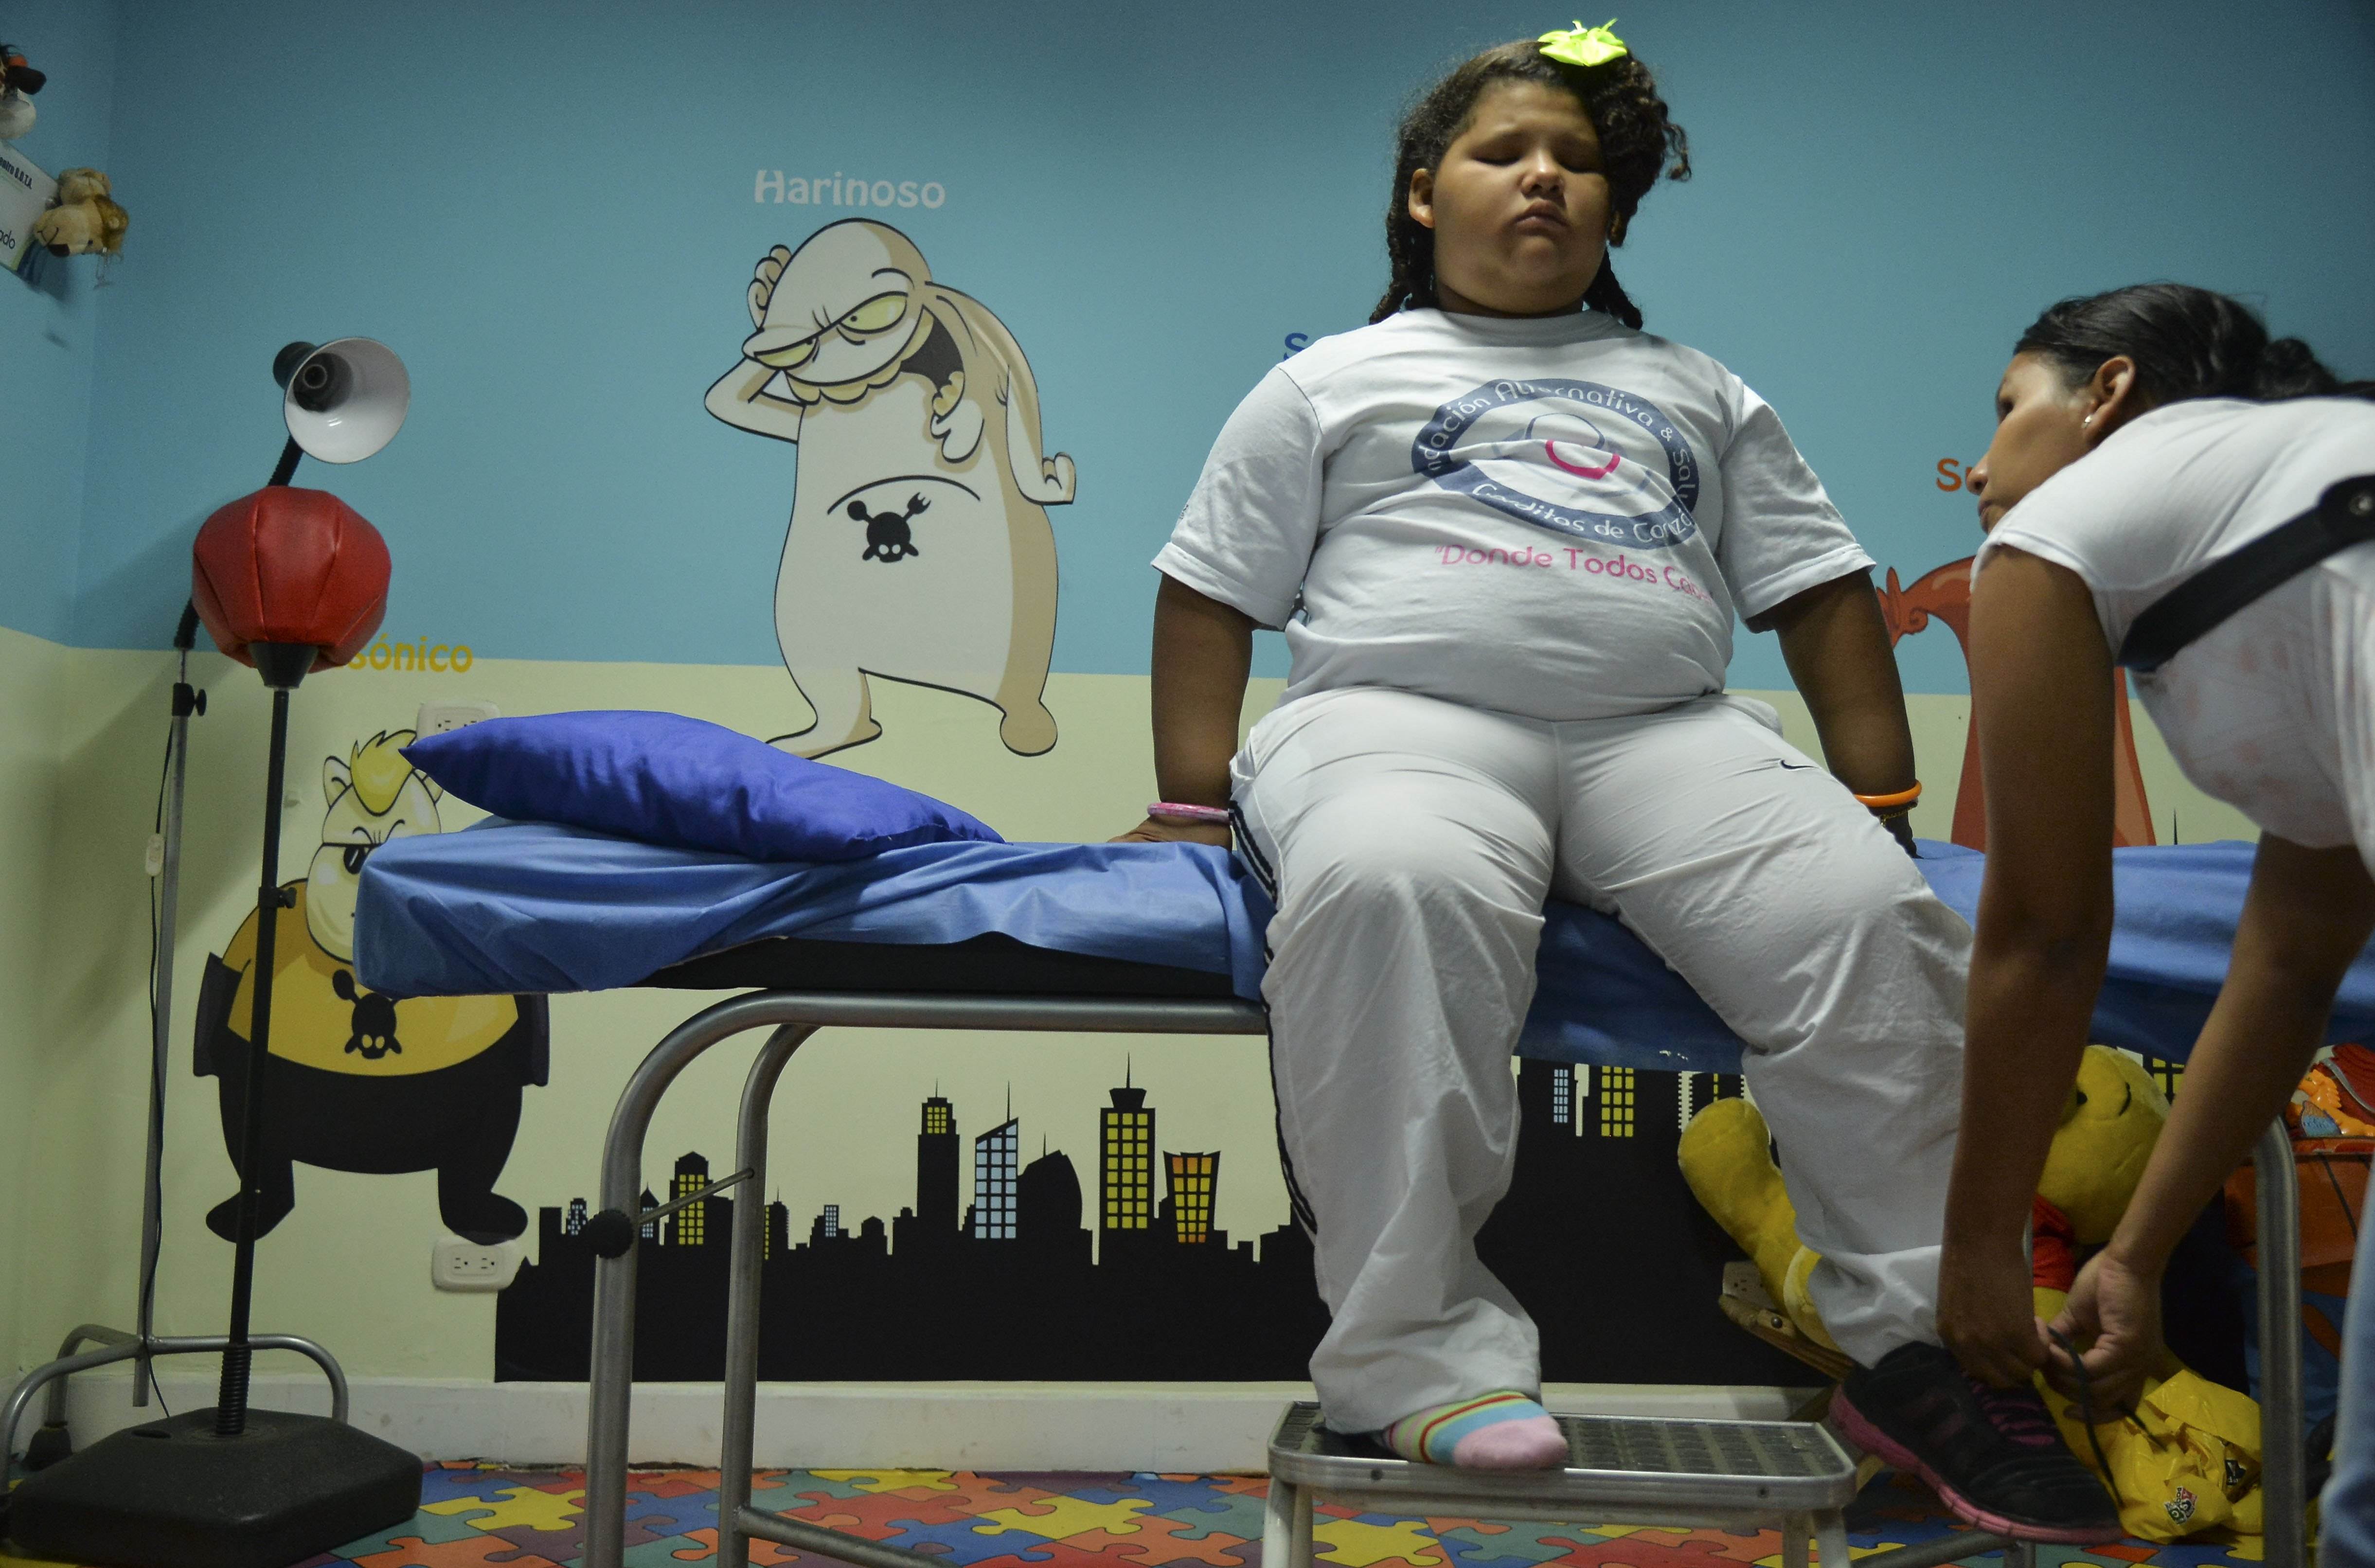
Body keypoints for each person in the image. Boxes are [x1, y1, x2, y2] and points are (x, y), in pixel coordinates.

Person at [1119, 23, 2119, 1542]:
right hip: (1396, 721)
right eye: (1501, 151)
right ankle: (1416, 1357)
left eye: (1578, 163)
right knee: (1399, 882)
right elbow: (1209, 591)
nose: (1542, 179)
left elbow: (1817, 589)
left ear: (1615, 213)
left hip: (1661, 735)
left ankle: (1921, 1355)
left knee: (1861, 912)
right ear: (1417, 194)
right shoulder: (1332, 383)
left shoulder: (1695, 387)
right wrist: (1191, 806)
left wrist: (1883, 804)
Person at [1942, 281, 2374, 1557]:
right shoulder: (2293, 504)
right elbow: (2292, 956)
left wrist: (1979, 1246)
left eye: (2007, 407)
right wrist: (2132, 1254)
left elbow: (2043, 931)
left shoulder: (2058, 530)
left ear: (2109, 393)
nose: (1977, 463)